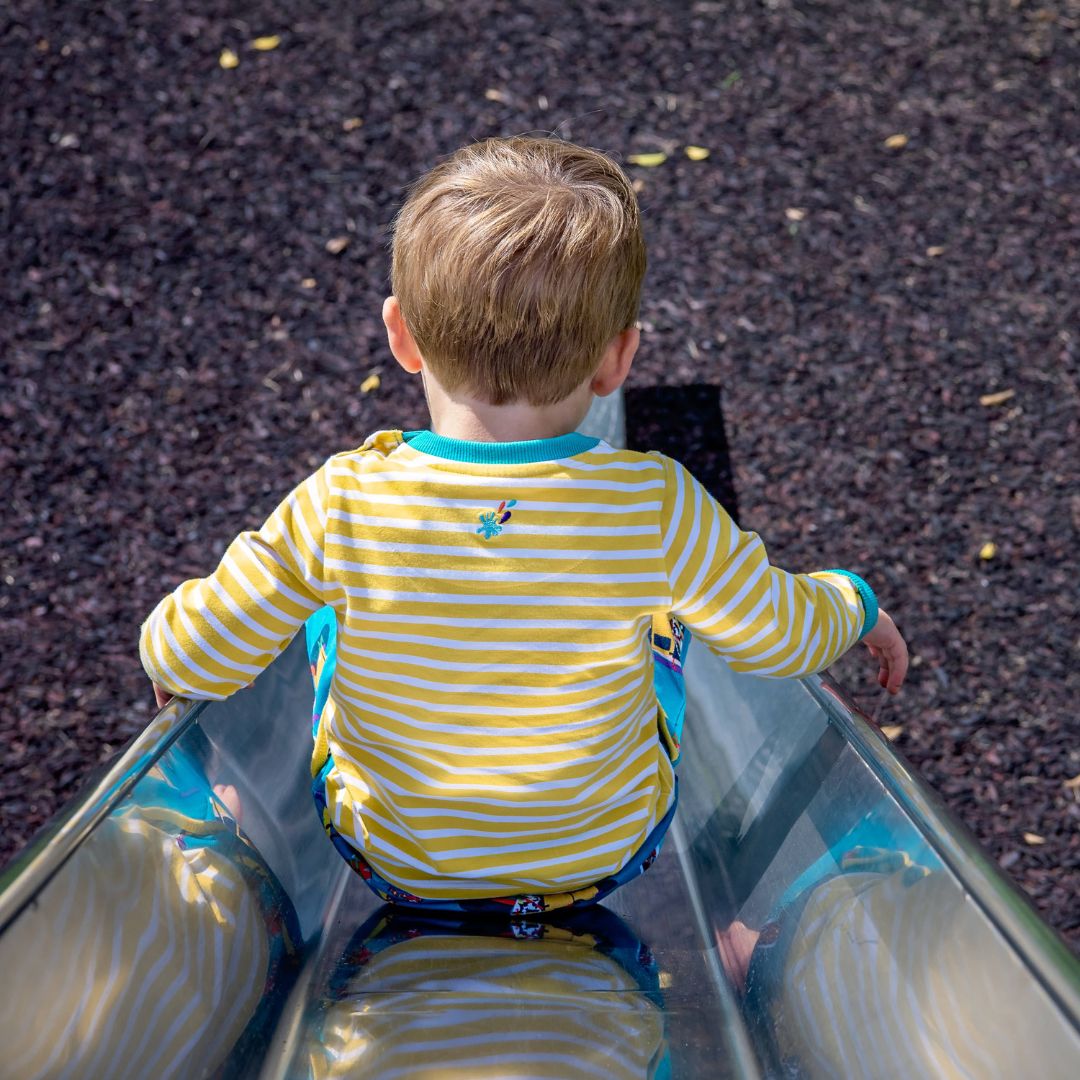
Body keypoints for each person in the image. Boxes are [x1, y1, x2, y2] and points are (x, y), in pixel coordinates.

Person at [140, 136, 908, 915]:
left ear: (399, 335)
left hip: (391, 858)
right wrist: (853, 603)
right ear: (618, 361)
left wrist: (169, 639)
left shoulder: (342, 499)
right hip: (601, 854)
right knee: (665, 618)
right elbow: (777, 635)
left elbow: (192, 653)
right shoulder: (656, 504)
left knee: (330, 612)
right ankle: (749, 935)